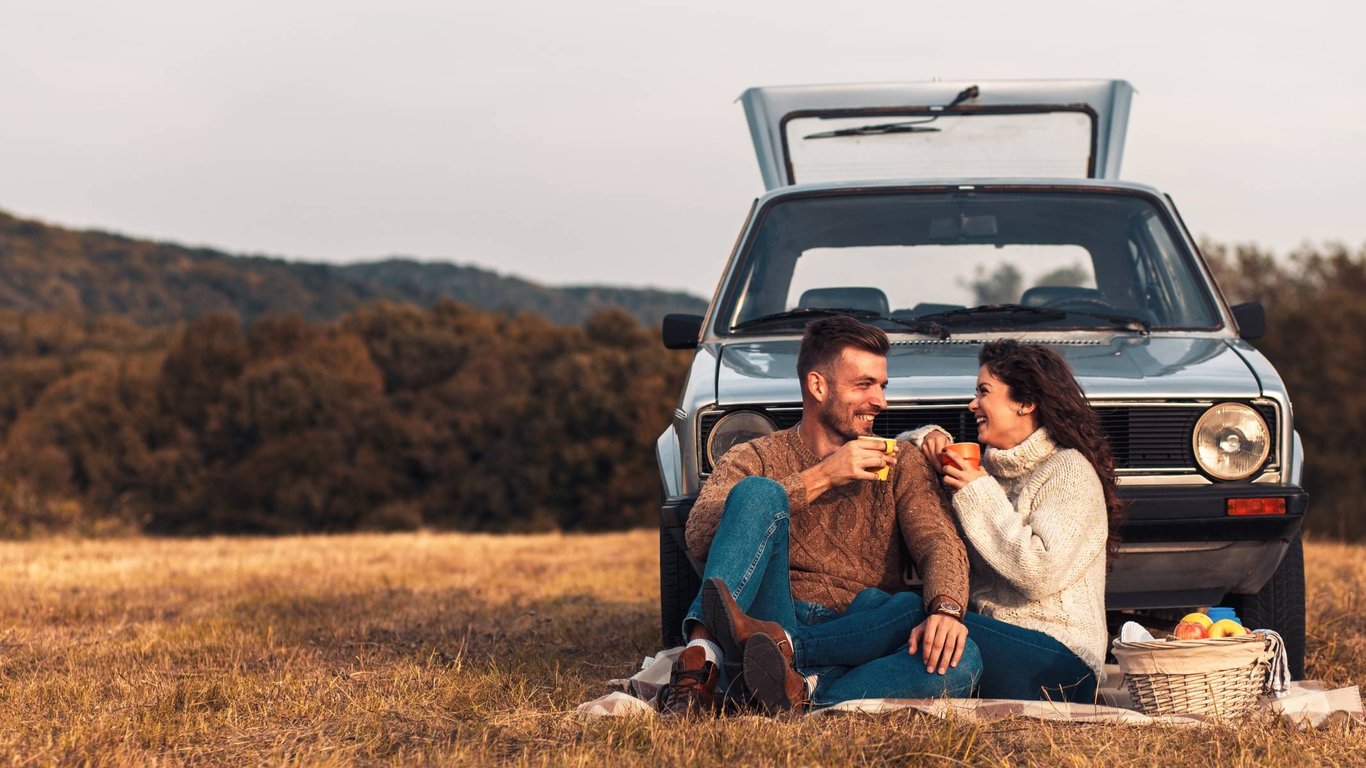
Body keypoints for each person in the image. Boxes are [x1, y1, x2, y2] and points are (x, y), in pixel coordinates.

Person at [656, 315, 980, 716]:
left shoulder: (900, 462)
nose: (880, 401)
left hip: (859, 633)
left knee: (963, 661)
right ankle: (702, 665)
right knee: (758, 492)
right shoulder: (755, 455)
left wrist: (946, 610)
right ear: (818, 386)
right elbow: (700, 535)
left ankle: (799, 689)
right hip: (767, 620)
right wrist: (823, 477)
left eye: (882, 386)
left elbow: (939, 541)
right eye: (864, 385)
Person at [901, 338, 1123, 701]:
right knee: (899, 616)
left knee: (909, 615)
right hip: (997, 641)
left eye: (983, 391)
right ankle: (817, 686)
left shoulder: (1068, 470)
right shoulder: (985, 471)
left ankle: (802, 651)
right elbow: (899, 460)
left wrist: (976, 490)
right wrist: (925, 438)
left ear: (1025, 402)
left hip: (1061, 663)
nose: (973, 404)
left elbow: (1038, 573)